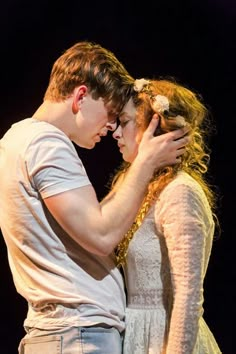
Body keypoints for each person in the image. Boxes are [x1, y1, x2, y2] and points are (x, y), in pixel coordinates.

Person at [0, 42, 189, 354]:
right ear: (81, 96)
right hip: (77, 334)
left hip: (66, 334)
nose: (111, 127)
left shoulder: (15, 140)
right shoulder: (45, 143)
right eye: (111, 113)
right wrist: (145, 163)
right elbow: (101, 235)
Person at [106, 77, 222, 353]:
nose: (115, 132)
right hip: (135, 332)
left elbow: (188, 296)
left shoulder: (179, 191)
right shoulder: (131, 186)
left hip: (166, 337)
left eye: (125, 122)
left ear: (153, 126)